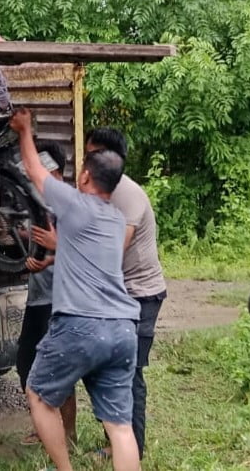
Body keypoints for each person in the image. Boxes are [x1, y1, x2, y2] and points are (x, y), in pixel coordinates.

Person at [10, 108, 142, 471]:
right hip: (123, 328)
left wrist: (24, 131)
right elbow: (81, 254)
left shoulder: (76, 204)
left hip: (82, 324)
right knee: (120, 427)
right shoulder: (115, 219)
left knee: (38, 394)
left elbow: (35, 173)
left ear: (84, 176)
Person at [85, 127, 167, 460]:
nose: (84, 160)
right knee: (103, 368)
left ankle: (134, 449)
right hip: (116, 295)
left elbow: (112, 253)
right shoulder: (101, 191)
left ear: (110, 158)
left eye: (91, 154)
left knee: (129, 374)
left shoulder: (128, 195)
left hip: (140, 296)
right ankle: (117, 442)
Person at [15, 140, 76, 449]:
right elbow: (32, 236)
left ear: (54, 171)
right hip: (38, 297)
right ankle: (46, 427)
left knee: (60, 368)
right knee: (26, 362)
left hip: (60, 299)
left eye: (39, 168)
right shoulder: (38, 203)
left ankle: (67, 434)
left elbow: (86, 251)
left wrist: (52, 253)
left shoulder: (70, 205)